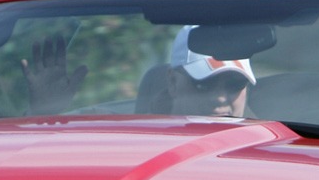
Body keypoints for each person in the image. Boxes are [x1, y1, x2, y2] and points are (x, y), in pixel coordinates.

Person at [21, 25, 254, 117]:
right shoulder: (111, 137)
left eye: (235, 84)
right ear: (172, 83)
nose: (221, 97)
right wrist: (44, 114)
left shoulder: (278, 145)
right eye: (204, 83)